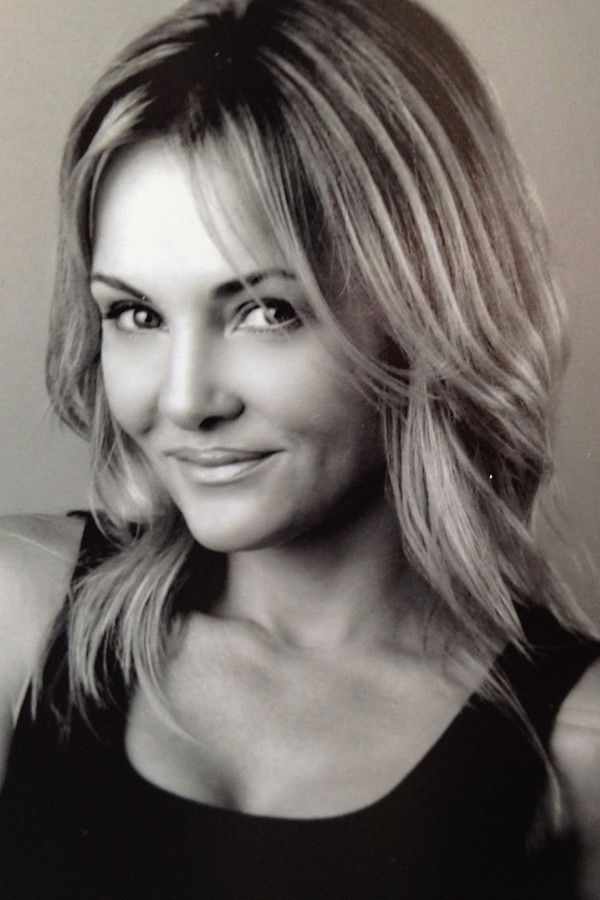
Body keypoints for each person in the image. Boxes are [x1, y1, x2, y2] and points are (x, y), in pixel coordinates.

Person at [0, 0, 599, 896]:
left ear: (428, 313)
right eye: (136, 314)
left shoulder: (578, 747)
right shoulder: (17, 615)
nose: (183, 399)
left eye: (264, 310)